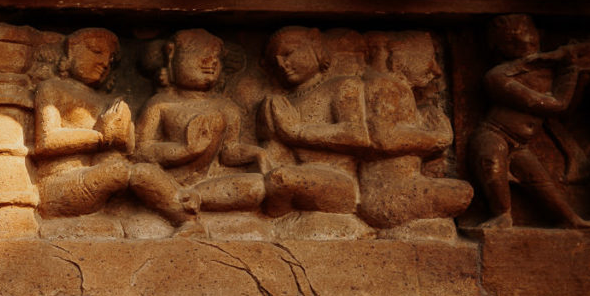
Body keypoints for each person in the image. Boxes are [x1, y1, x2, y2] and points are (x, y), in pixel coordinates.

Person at [470, 14, 590, 229]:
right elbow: (555, 105)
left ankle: (572, 220)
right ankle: (502, 215)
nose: (524, 42)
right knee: (492, 168)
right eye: (512, 40)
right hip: (493, 135)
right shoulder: (497, 76)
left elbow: (563, 112)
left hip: (520, 145)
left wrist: (576, 72)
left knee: (541, 183)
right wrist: (569, 69)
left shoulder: (544, 73)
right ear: (498, 47)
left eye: (530, 37)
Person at [132, 29, 267, 228]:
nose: (211, 62)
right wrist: (184, 150)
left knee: (257, 186)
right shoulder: (159, 104)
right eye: (199, 55)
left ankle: (190, 202)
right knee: (140, 174)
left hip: (207, 186)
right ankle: (183, 207)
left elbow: (228, 152)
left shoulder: (226, 107)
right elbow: (140, 152)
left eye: (216, 58)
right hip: (166, 182)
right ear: (172, 57)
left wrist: (258, 154)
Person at [358, 35, 473, 228]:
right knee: (462, 193)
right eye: (429, 58)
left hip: (398, 187)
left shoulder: (396, 88)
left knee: (458, 194)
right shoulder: (385, 85)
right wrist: (439, 138)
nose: (436, 70)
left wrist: (425, 120)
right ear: (403, 55)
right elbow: (384, 139)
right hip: (388, 193)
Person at [257, 26, 369, 216]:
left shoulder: (342, 86)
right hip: (289, 176)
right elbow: (276, 153)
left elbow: (358, 135)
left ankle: (276, 216)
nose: (282, 65)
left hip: (337, 180)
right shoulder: (282, 102)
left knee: (281, 179)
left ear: (314, 47)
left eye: (288, 53)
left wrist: (297, 132)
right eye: (275, 62)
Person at [33, 28, 135, 218]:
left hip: (102, 177)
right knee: (121, 173)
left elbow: (127, 149)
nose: (105, 63)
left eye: (111, 59)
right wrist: (99, 136)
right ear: (71, 51)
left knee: (141, 173)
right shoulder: (52, 88)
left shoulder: (105, 101)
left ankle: (186, 218)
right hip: (60, 181)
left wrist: (125, 128)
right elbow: (46, 140)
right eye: (97, 52)